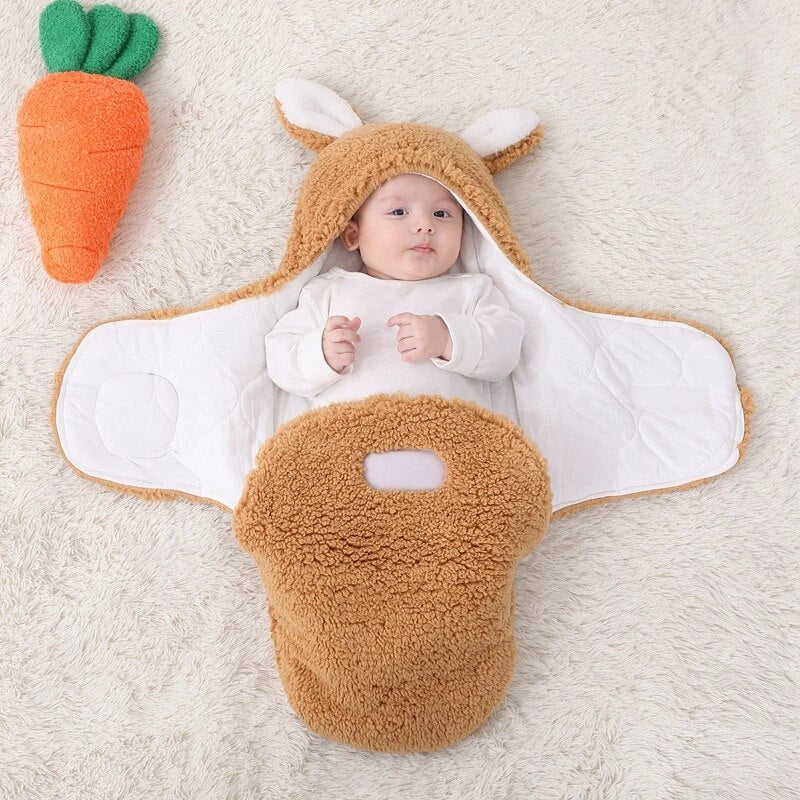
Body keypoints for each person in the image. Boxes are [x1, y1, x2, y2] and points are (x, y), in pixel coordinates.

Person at [264, 173, 525, 410]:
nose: (425, 225)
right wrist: (320, 354)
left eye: (441, 214)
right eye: (399, 212)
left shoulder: (472, 290)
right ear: (353, 236)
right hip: (350, 433)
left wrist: (448, 338)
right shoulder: (328, 290)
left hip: (449, 433)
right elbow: (279, 358)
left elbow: (507, 351)